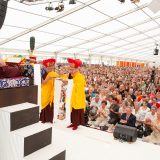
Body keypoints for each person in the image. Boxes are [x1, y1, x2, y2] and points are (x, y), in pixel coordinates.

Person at [66, 58, 86, 130]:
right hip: (72, 96)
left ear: (77, 69)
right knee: (72, 111)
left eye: (72, 69)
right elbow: (69, 82)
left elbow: (78, 86)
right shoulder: (71, 75)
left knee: (77, 111)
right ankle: (73, 123)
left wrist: (71, 82)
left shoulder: (80, 76)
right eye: (70, 69)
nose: (71, 71)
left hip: (78, 96)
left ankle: (76, 124)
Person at [40, 58, 58, 123]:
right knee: (44, 104)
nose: (50, 68)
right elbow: (43, 82)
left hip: (51, 91)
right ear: (45, 66)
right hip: (44, 91)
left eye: (52, 66)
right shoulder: (42, 72)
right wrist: (48, 78)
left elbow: (58, 81)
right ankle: (43, 119)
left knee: (51, 105)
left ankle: (50, 119)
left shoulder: (54, 73)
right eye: (49, 67)